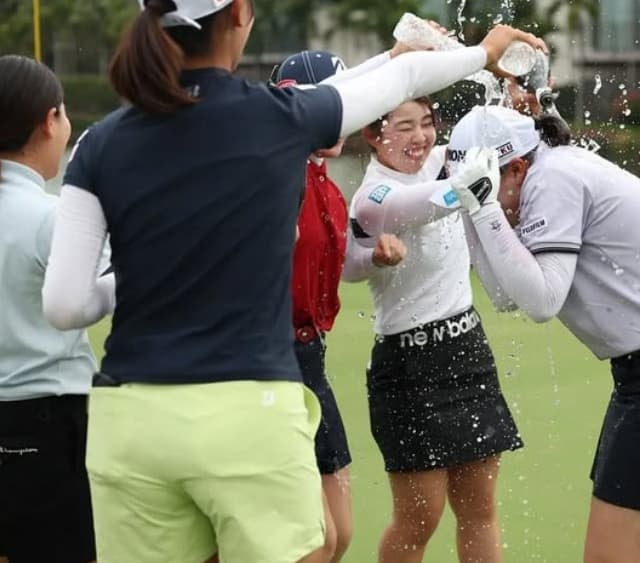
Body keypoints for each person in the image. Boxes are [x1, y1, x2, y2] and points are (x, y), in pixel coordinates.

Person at [39, 0, 545, 561]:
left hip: (129, 422)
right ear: (239, 15)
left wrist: (147, 270)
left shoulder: (99, 144)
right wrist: (485, 51)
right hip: (245, 408)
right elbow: (392, 82)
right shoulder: (276, 117)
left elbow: (65, 306)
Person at [445, 105, 640, 563]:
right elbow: (504, 293)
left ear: (515, 167)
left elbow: (541, 301)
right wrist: (478, 208)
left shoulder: (554, 180)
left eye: (488, 184)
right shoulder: (548, 168)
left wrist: (487, 207)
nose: (490, 197)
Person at [343, 96, 523, 563]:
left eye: (427, 124)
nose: (420, 137)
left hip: (466, 349)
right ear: (372, 134)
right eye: (404, 127)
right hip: (408, 365)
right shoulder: (373, 196)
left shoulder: (446, 161)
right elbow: (420, 205)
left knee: (479, 508)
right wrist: (376, 256)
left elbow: (492, 144)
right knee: (421, 517)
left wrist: (514, 106)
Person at [271, 48, 408, 562]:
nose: (349, 116)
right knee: (314, 539)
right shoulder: (275, 177)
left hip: (312, 362)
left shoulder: (326, 187)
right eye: (341, 102)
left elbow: (338, 263)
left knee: (340, 534)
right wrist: (396, 57)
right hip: (270, 364)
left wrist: (373, 255)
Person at [0, 55, 102, 563]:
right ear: (47, 121)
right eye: (62, 116)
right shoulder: (51, 216)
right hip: (48, 422)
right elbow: (106, 289)